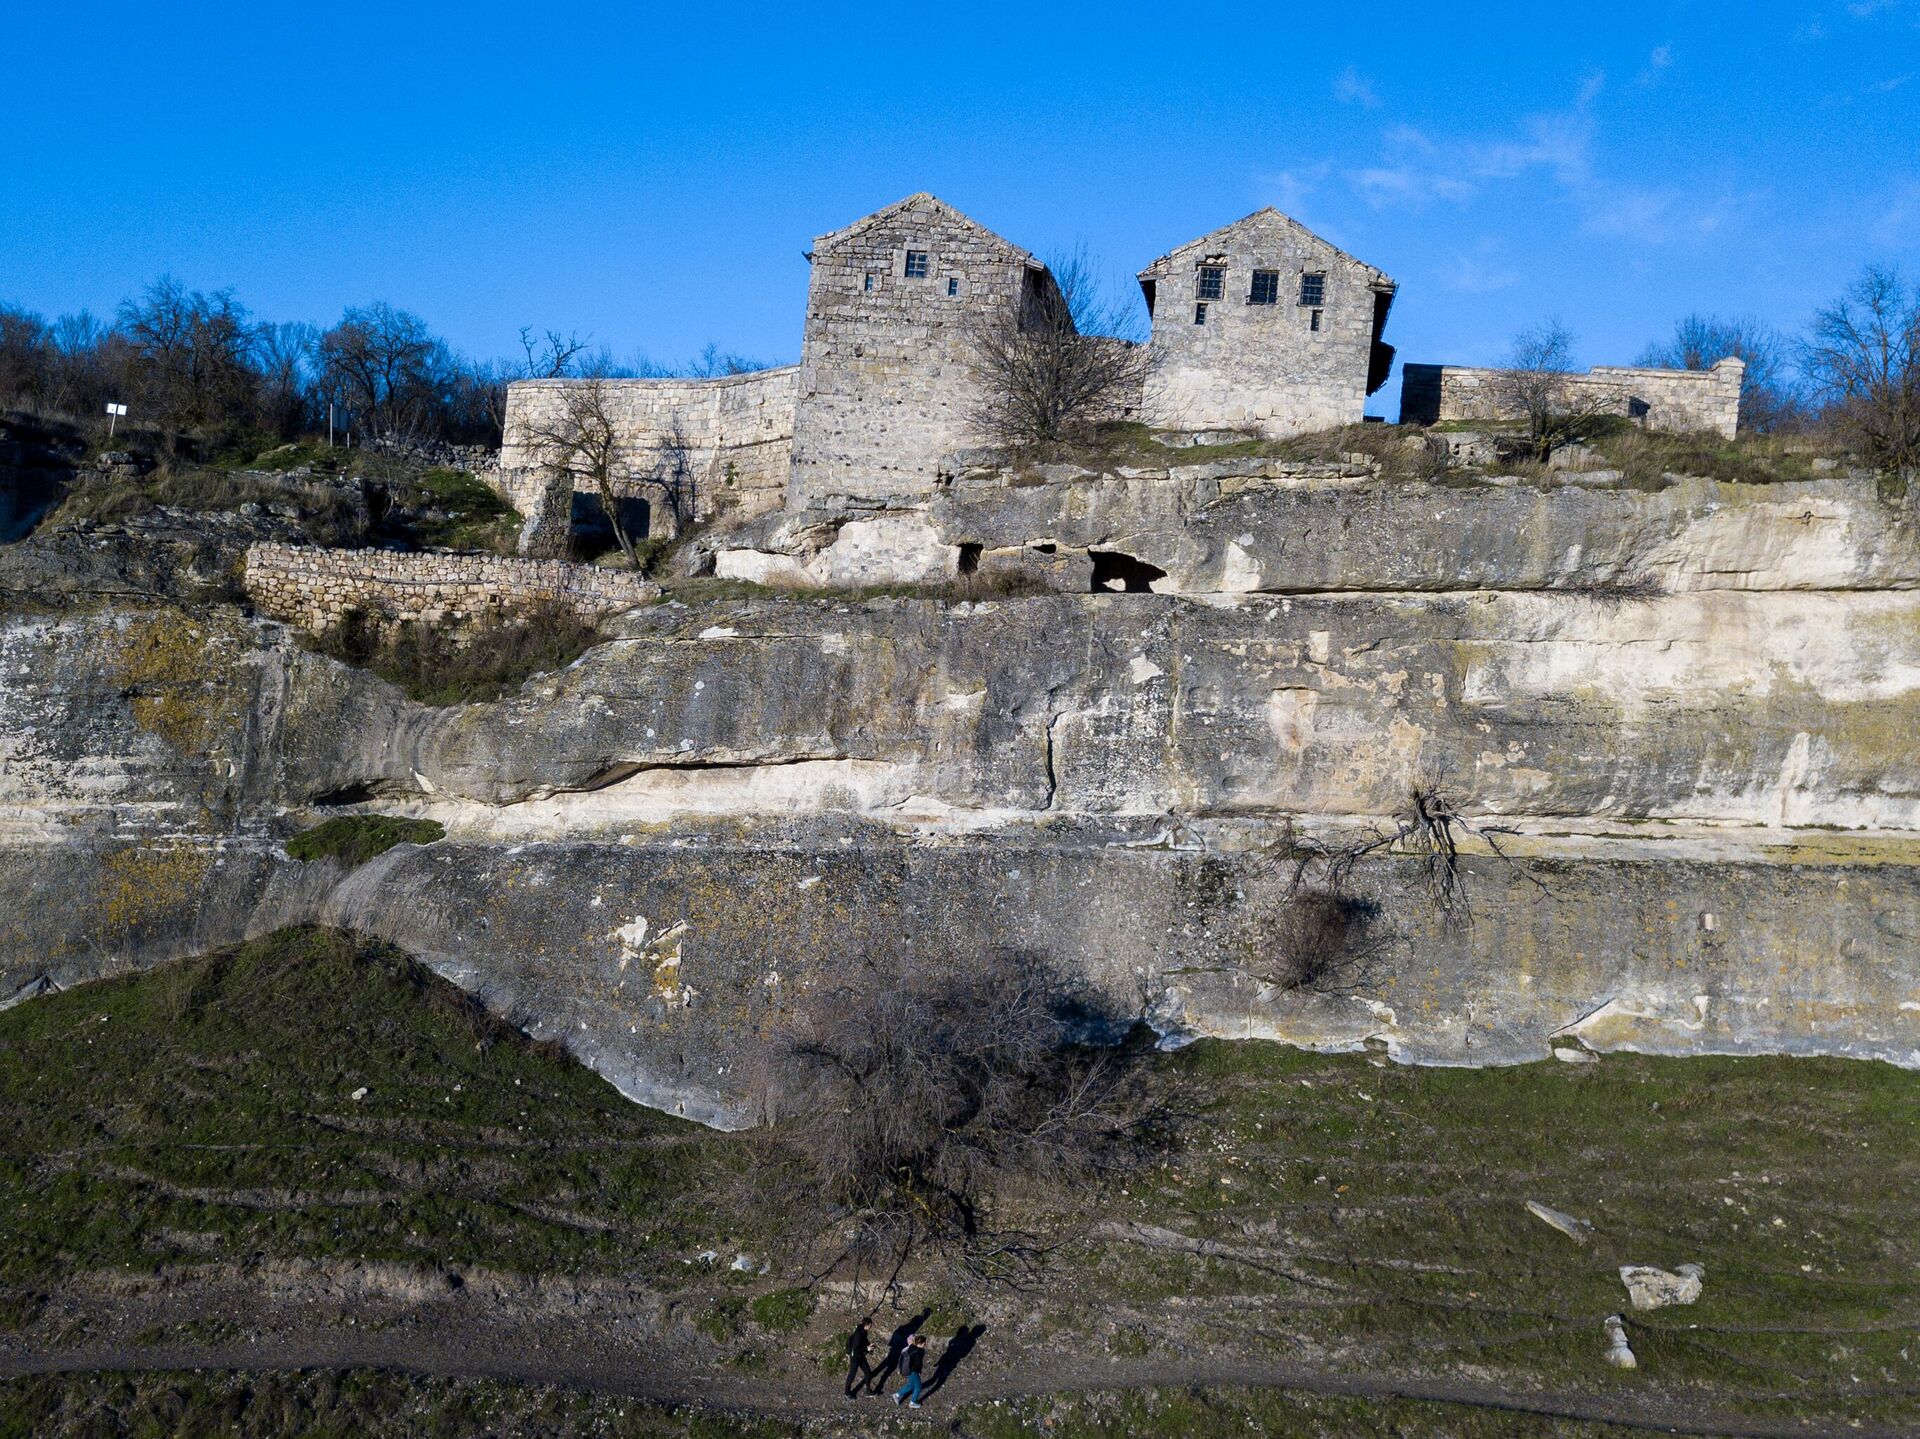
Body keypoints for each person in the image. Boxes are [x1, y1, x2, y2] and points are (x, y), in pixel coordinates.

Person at [892, 1332, 929, 1408]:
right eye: (924, 1343)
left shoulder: (911, 1347)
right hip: (912, 1371)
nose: (925, 1345)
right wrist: (919, 1371)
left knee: (911, 1385)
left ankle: (897, 1395)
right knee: (918, 1386)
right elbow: (917, 1364)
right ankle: (912, 1402)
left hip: (907, 1370)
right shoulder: (918, 1352)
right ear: (920, 1343)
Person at [843, 1316, 876, 1397]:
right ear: (867, 1325)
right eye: (870, 1325)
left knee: (868, 1372)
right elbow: (856, 1349)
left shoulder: (864, 1330)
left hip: (861, 1356)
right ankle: (847, 1393)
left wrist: (869, 1345)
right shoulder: (858, 1334)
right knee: (852, 1374)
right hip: (855, 1357)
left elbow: (864, 1340)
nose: (871, 1326)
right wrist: (866, 1348)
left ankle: (868, 1391)